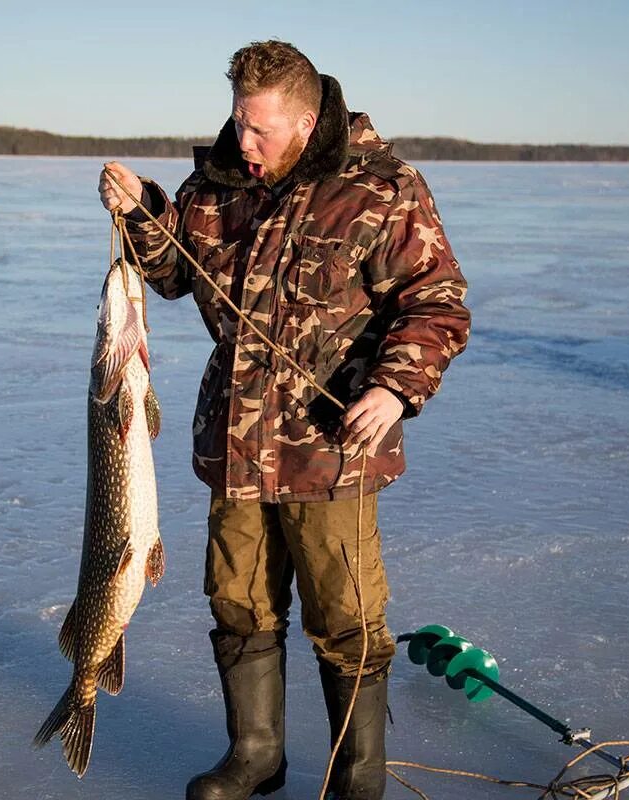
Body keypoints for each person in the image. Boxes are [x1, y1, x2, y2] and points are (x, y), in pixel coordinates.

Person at [97, 40, 470, 800]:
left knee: (345, 619)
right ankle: (257, 754)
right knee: (238, 601)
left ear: (305, 121)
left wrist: (395, 389)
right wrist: (145, 213)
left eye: (262, 129)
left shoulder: (381, 188)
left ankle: (357, 779)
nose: (245, 141)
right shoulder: (220, 183)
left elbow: (436, 304)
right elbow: (174, 271)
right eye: (239, 121)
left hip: (331, 450)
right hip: (234, 446)